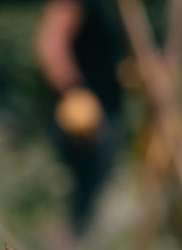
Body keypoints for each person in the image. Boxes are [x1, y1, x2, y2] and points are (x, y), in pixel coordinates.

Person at [35, 0, 124, 236]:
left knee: (89, 191)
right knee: (79, 191)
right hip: (82, 116)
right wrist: (74, 91)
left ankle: (74, 248)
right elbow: (50, 47)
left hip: (99, 110)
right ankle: (66, 249)